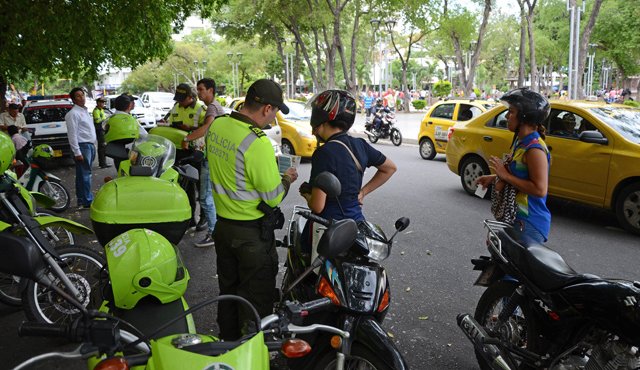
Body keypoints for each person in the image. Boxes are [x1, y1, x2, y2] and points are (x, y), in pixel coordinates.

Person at [206, 78, 298, 340]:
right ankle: (252, 353)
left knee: (229, 293)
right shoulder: (257, 143)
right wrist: (286, 178)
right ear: (267, 108)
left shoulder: (218, 125)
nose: (274, 118)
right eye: (276, 111)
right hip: (251, 237)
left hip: (223, 228)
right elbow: (272, 198)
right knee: (256, 301)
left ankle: (228, 345)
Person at [300, 89, 396, 248]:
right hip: (356, 226)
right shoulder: (360, 145)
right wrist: (362, 192)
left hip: (327, 229)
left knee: (307, 265)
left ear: (320, 117)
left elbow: (317, 206)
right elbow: (389, 168)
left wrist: (305, 194)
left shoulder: (324, 153)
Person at [476, 88, 551, 245]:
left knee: (511, 269)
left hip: (529, 222)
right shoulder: (521, 143)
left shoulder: (534, 150)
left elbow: (539, 189)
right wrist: (493, 178)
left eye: (511, 112)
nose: (507, 116)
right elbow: (519, 175)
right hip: (514, 217)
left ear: (524, 117)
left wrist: (505, 175)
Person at [183, 78, 226, 248]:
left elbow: (207, 128)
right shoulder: (212, 107)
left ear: (211, 90)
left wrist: (187, 138)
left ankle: (213, 233)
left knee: (205, 197)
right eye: (198, 89)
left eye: (201, 89)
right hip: (213, 157)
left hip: (211, 159)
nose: (198, 93)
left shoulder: (213, 108)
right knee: (209, 197)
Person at [167, 83, 207, 227]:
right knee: (185, 185)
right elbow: (169, 123)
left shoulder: (201, 109)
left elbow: (207, 128)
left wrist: (190, 128)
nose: (179, 101)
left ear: (191, 97)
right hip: (180, 151)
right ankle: (190, 218)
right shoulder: (175, 108)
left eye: (182, 98)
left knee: (201, 186)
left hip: (196, 151)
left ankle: (204, 218)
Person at [65, 87, 97, 209]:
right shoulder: (73, 114)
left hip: (90, 146)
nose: (81, 97)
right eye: (78, 96)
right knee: (85, 175)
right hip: (82, 147)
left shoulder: (84, 111)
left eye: (82, 95)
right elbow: (72, 135)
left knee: (83, 174)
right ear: (73, 99)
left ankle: (82, 200)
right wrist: (77, 152)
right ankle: (87, 200)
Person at [103, 93, 146, 171]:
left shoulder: (110, 118)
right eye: (132, 102)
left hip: (115, 152)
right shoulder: (131, 120)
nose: (134, 104)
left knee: (120, 171)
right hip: (130, 152)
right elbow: (145, 135)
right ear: (129, 105)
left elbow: (105, 131)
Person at [92, 97, 110, 168]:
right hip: (99, 130)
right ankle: (102, 164)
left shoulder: (101, 110)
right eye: (102, 102)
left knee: (103, 146)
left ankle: (103, 163)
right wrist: (105, 120)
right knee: (102, 147)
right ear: (98, 103)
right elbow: (98, 121)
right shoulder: (96, 110)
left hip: (102, 129)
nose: (103, 104)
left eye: (104, 102)